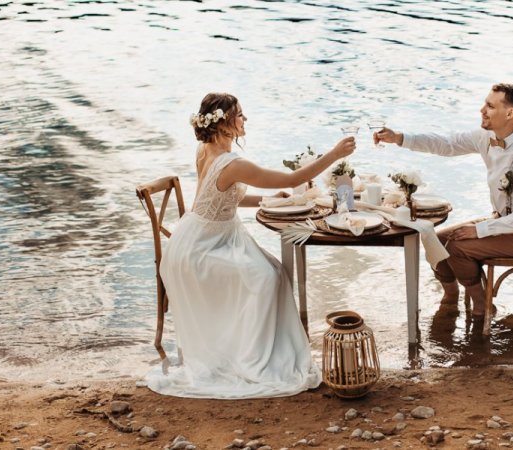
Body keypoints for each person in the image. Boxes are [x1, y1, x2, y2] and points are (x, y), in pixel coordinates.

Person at [145, 92, 355, 398]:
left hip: (207, 236)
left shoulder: (207, 148)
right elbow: (292, 177)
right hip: (198, 250)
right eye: (240, 114)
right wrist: (334, 154)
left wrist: (266, 200)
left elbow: (220, 197)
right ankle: (251, 359)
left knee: (274, 271)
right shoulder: (232, 163)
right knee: (264, 278)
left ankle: (251, 347)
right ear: (224, 122)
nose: (245, 120)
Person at [375, 83, 513, 317]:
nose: (482, 110)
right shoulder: (486, 137)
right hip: (504, 221)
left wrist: (480, 230)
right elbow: (447, 144)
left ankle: (483, 306)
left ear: (510, 113)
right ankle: (451, 296)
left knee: (458, 247)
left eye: (490, 106)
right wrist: (400, 138)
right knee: (435, 240)